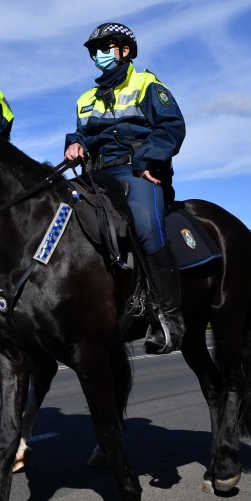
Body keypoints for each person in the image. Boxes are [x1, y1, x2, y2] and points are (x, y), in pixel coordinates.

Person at [63, 22, 186, 354]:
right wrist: (74, 144)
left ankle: (169, 318)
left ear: (125, 50)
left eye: (105, 47)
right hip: (95, 175)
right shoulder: (84, 99)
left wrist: (147, 161)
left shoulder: (147, 84)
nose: (98, 54)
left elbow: (172, 126)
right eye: (94, 50)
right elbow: (82, 135)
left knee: (146, 224)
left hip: (136, 170)